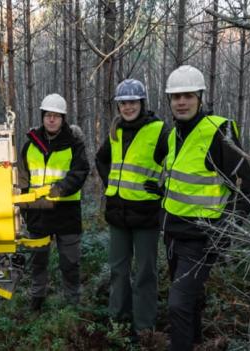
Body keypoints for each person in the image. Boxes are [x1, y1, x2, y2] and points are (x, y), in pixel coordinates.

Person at [160, 65, 250, 350]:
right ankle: (196, 342)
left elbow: (249, 189)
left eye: (188, 95)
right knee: (191, 299)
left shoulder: (218, 132)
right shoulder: (172, 136)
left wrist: (225, 229)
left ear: (200, 97)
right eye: (176, 96)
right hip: (173, 235)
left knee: (178, 304)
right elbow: (180, 182)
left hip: (201, 239)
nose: (181, 102)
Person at [95, 79, 169, 339]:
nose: (128, 107)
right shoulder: (116, 131)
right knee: (118, 270)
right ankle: (118, 321)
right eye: (123, 103)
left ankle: (144, 328)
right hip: (118, 213)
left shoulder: (160, 130)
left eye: (132, 102)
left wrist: (163, 188)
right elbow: (101, 159)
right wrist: (109, 183)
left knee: (145, 273)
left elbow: (176, 165)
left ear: (142, 103)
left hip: (146, 214)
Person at [17, 93, 90, 311]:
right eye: (48, 115)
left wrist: (60, 189)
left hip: (66, 212)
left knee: (70, 262)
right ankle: (37, 300)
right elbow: (22, 179)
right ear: (42, 116)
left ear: (63, 118)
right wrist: (23, 206)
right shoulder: (30, 145)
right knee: (38, 261)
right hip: (37, 213)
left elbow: (80, 172)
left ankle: (72, 303)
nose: (51, 119)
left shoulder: (74, 143)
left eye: (56, 116)